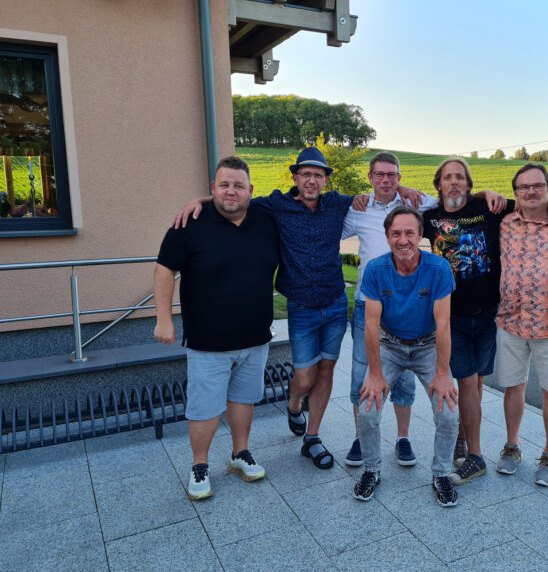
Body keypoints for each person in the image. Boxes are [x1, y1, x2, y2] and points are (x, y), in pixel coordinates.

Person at [173, 147, 421, 471]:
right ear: (295, 178)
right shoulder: (278, 205)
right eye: (306, 174)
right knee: (305, 377)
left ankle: (313, 437)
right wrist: (201, 201)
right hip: (301, 307)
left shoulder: (338, 204)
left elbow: (379, 194)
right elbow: (237, 199)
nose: (312, 180)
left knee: (327, 370)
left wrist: (404, 187)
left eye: (318, 175)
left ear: (325, 180)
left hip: (335, 303)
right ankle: (294, 404)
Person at [423, 158, 548, 486]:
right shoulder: (442, 217)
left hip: (533, 320)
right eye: (448, 177)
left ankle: (547, 454)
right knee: (495, 385)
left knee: (538, 390)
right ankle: (495, 448)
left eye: (461, 177)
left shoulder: (510, 213)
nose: (530, 192)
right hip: (492, 319)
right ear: (439, 184)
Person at [154, 156, 279, 500]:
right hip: (207, 340)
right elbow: (164, 270)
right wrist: (164, 319)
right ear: (213, 188)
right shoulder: (188, 223)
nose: (231, 191)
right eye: (224, 185)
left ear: (251, 190)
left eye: (238, 185)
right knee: (204, 408)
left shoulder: (266, 219)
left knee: (244, 399)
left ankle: (240, 454)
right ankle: (199, 465)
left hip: (255, 337)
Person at [353, 206, 460, 506]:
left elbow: (443, 324)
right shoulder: (376, 269)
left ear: (420, 235)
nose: (403, 240)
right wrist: (375, 375)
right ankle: (371, 470)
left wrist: (442, 374)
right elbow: (371, 325)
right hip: (390, 344)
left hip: (428, 344)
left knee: (448, 413)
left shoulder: (438, 268)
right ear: (387, 237)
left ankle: (441, 473)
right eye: (396, 233)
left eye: (409, 233)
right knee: (367, 410)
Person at [341, 152, 439, 468]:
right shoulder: (357, 210)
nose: (385, 180)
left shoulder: (415, 202)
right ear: (370, 177)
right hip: (367, 303)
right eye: (380, 174)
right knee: (362, 373)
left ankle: (403, 438)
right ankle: (361, 437)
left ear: (399, 176)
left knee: (404, 377)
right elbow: (328, 228)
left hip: (407, 304)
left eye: (392, 175)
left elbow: (453, 202)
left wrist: (406, 190)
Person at [493, 163, 548, 486]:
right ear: (515, 192)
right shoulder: (504, 222)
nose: (531, 191)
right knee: (513, 387)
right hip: (511, 320)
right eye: (524, 187)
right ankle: (512, 446)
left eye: (538, 186)